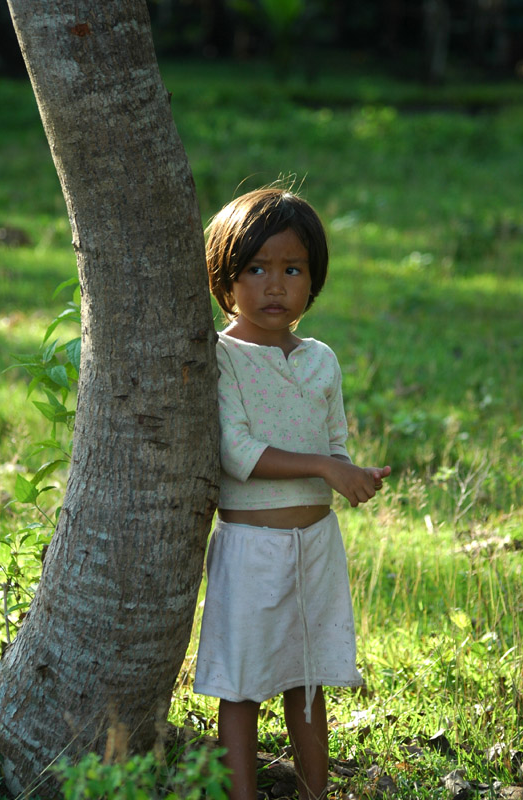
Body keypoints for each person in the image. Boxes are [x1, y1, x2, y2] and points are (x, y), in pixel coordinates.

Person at [194, 187, 391, 800]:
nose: (273, 285)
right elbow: (238, 453)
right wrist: (327, 470)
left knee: (307, 685)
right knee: (244, 686)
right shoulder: (222, 357)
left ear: (313, 281)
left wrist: (351, 474)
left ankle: (315, 793)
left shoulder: (321, 361)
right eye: (255, 269)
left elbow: (335, 445)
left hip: (317, 547)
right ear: (224, 283)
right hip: (251, 549)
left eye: (291, 269)